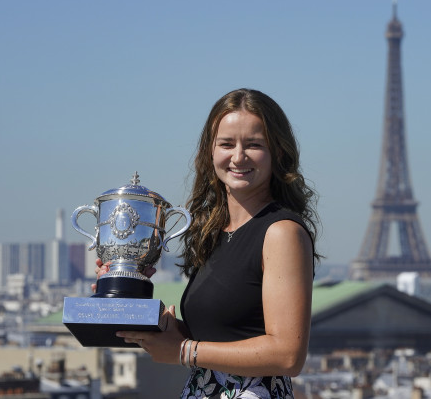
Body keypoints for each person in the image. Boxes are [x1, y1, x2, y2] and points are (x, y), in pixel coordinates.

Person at [95, 88, 321, 398]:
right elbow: (221, 338)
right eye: (227, 144)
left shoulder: (281, 232)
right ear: (210, 152)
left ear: (277, 153)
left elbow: (288, 355)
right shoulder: (215, 233)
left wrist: (186, 351)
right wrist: (126, 286)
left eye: (254, 145)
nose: (238, 156)